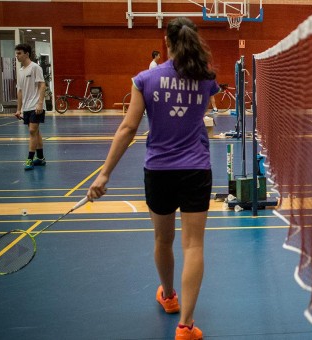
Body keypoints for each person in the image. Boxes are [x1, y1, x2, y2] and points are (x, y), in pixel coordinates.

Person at [86, 17, 219, 340]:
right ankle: (186, 326)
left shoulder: (145, 79)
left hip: (158, 171)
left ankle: (169, 296)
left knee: (163, 240)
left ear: (166, 41)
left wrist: (105, 174)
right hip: (195, 170)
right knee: (194, 245)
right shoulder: (206, 78)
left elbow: (128, 128)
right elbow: (209, 115)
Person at [14, 44, 47, 170]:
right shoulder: (21, 71)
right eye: (16, 54)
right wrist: (18, 109)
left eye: (19, 53)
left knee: (32, 131)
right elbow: (20, 91)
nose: (17, 56)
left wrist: (40, 103)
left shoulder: (35, 68)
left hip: (36, 105)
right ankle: (41, 158)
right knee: (36, 131)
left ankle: (29, 159)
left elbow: (42, 86)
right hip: (27, 107)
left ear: (27, 54)